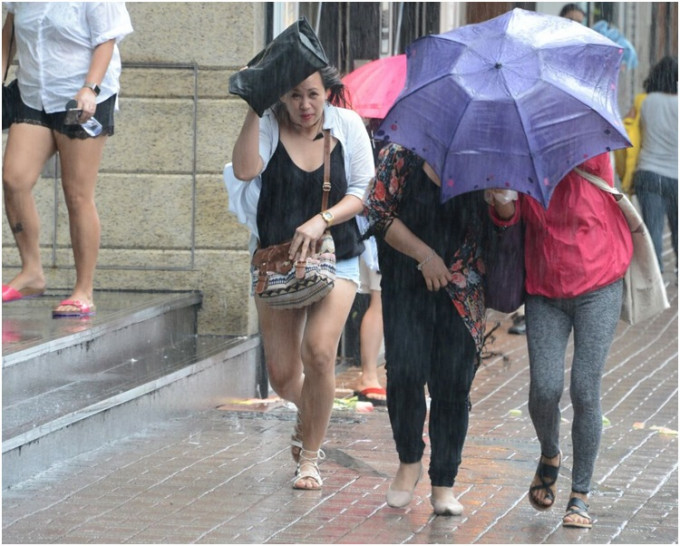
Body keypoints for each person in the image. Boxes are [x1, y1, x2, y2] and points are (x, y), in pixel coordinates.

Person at [231, 65, 374, 490]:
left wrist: (320, 220)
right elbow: (243, 171)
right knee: (282, 374)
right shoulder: (270, 125)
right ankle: (310, 414)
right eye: (294, 96)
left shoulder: (346, 125)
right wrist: (254, 108)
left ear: (327, 92)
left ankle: (310, 457)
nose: (305, 105)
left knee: (319, 354)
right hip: (277, 261)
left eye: (313, 94)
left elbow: (364, 191)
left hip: (338, 256)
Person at [487, 153, 633, 529]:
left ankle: (580, 494)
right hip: (544, 286)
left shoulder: (589, 146)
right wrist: (503, 202)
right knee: (545, 389)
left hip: (599, 282)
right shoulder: (519, 154)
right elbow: (511, 222)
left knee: (585, 389)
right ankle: (550, 454)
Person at [364, 143, 503, 516]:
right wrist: (425, 256)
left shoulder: (485, 155)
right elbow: (377, 212)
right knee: (406, 371)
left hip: (463, 287)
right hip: (407, 281)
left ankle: (443, 483)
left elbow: (504, 226)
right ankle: (409, 460)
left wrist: (502, 203)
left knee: (453, 384)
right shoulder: (400, 155)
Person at [1, 3, 133, 316]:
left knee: (76, 194)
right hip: (35, 94)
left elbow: (107, 40)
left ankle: (83, 290)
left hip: (81, 97)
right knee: (13, 179)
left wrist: (90, 87)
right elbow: (9, 32)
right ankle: (32, 273)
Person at [632, 56, 678, 274]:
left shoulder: (646, 102)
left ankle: (655, 280)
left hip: (648, 173)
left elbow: (635, 134)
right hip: (676, 176)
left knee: (653, 231)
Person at [353, 216, 386, 406]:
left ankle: (369, 375)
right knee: (379, 302)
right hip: (377, 228)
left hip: (373, 226)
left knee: (379, 302)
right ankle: (369, 376)